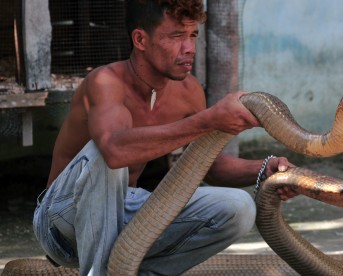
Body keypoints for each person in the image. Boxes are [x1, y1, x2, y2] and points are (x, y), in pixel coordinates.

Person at [33, 0, 297, 275]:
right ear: (140, 40)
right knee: (105, 154)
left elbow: (210, 166)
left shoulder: (188, 91)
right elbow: (114, 151)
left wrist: (265, 169)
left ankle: (137, 272)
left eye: (193, 35)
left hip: (124, 211)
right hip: (61, 222)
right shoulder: (105, 83)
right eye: (176, 36)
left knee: (238, 208)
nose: (189, 48)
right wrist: (208, 120)